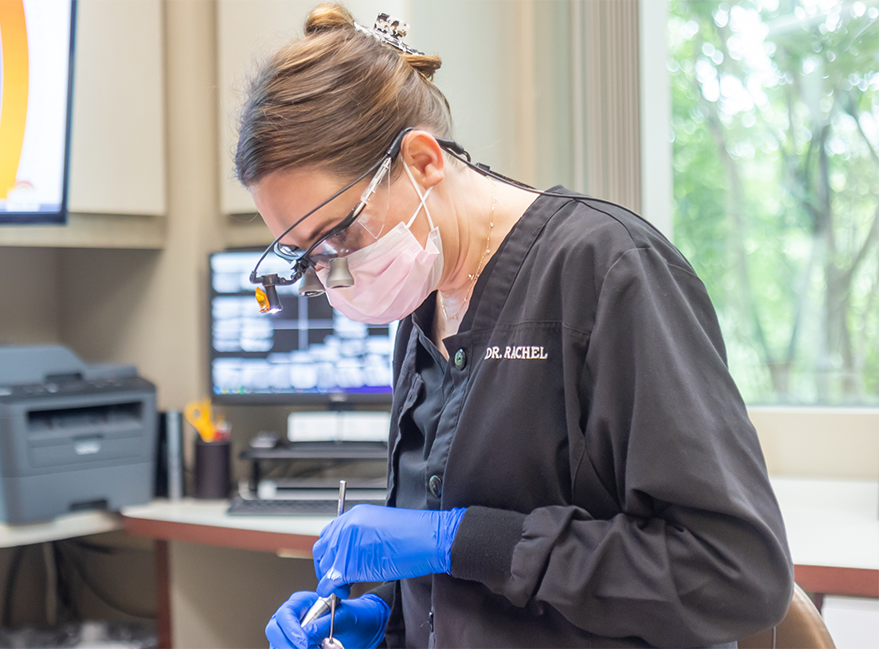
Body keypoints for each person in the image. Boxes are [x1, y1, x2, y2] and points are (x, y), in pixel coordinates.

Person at [241, 5, 792, 649]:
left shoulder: (608, 271)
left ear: (422, 161)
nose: (335, 274)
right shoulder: (424, 298)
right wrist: (382, 617)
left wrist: (464, 539)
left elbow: (734, 574)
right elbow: (449, 571)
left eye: (339, 233)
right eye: (309, 257)